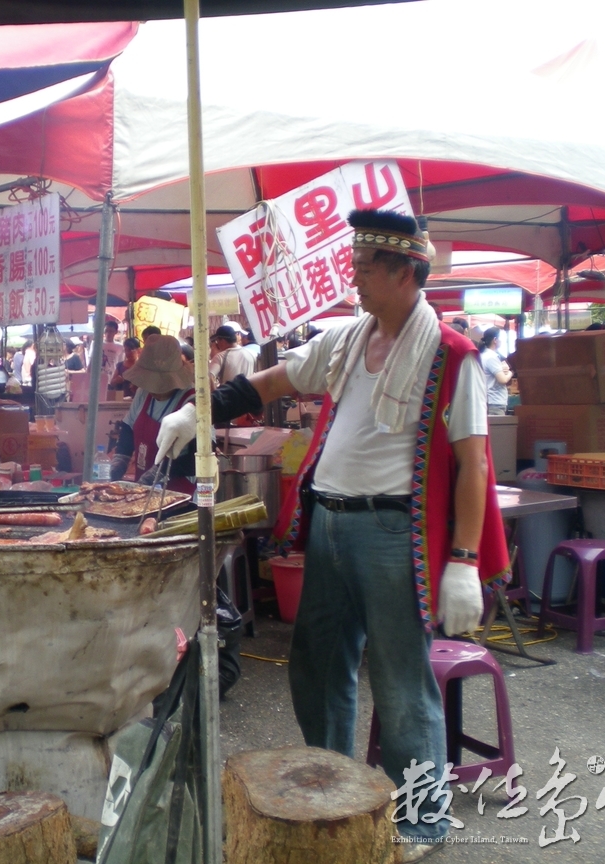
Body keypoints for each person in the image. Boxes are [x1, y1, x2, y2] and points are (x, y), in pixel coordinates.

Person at [154, 210, 509, 860]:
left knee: (400, 682)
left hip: (394, 533)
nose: (355, 277)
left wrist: (463, 560)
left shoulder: (452, 355)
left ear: (404, 272)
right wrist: (197, 411)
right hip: (331, 526)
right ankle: (338, 789)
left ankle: (422, 820)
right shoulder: (345, 340)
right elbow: (269, 382)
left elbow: (474, 464)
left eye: (366, 267)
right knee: (316, 667)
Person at [109, 335, 196, 493]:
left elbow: (200, 454)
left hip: (178, 491)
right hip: (141, 488)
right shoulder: (143, 393)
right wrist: (121, 458)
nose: (154, 389)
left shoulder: (193, 400)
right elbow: (129, 427)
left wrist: (161, 471)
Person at [480, 326, 512, 415]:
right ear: (495, 340)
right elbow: (503, 380)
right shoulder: (491, 357)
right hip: (495, 402)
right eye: (501, 338)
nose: (502, 341)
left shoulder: (484, 355)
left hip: (490, 400)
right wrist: (510, 372)